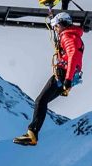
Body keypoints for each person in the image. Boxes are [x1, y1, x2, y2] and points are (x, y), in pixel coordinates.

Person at [14, 11, 84, 146]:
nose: (55, 30)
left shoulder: (68, 37)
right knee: (42, 101)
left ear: (63, 24)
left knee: (40, 101)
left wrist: (67, 79)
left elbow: (73, 57)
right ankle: (32, 133)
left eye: (56, 27)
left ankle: (32, 134)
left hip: (63, 75)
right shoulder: (73, 36)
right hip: (67, 75)